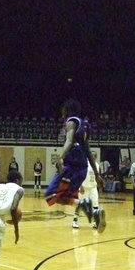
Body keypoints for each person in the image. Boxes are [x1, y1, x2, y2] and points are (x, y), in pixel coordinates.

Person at [44, 99, 106, 232]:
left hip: (71, 168)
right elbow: (88, 151)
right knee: (63, 197)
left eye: (62, 111)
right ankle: (94, 213)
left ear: (66, 110)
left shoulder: (71, 121)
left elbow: (69, 140)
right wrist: (97, 174)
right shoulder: (85, 125)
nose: (61, 114)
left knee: (50, 195)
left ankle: (85, 205)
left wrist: (61, 156)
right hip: (82, 170)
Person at [73, 154, 100, 229]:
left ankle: (95, 222)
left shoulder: (97, 166)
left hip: (93, 187)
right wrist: (80, 186)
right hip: (84, 187)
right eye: (92, 156)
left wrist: (99, 186)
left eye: (94, 157)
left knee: (95, 205)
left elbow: (97, 176)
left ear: (96, 158)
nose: (93, 158)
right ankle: (75, 221)